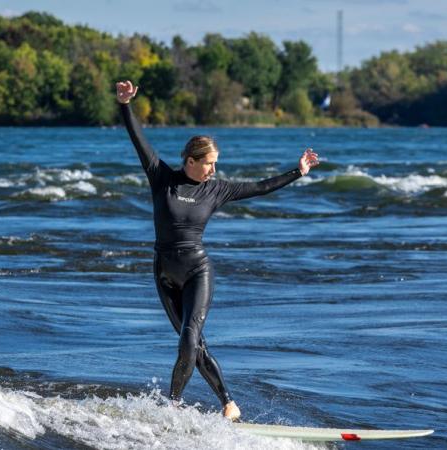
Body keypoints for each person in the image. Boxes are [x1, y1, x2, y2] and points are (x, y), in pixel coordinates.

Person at [116, 80, 319, 421]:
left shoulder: (217, 190)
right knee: (194, 345)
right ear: (191, 161)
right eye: (209, 163)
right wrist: (125, 104)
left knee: (190, 339)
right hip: (164, 273)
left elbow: (260, 187)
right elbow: (139, 139)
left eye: (215, 163)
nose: (214, 170)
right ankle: (224, 404)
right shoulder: (162, 177)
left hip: (197, 271)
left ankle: (176, 407)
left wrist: (298, 172)